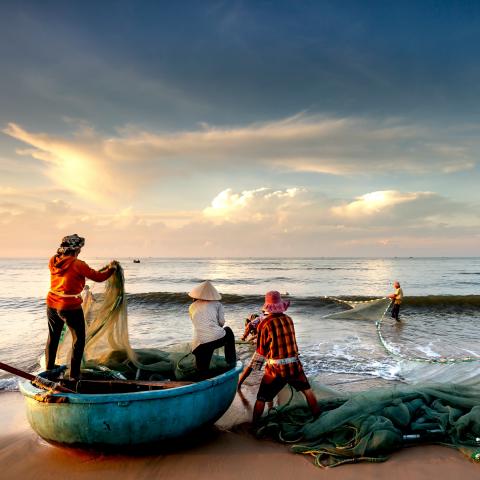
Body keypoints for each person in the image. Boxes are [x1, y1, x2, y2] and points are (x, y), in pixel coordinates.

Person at [238, 291, 320, 423]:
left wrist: (253, 369)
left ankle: (255, 427)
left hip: (275, 370)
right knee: (308, 391)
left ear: (267, 307)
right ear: (280, 305)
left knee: (261, 398)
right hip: (294, 366)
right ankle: (318, 419)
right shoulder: (289, 319)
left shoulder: (264, 324)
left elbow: (260, 352)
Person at [45, 234, 117, 380]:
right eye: (80, 249)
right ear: (76, 249)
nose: (80, 252)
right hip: (69, 307)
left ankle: (49, 370)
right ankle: (74, 375)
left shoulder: (53, 260)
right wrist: (111, 269)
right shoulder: (78, 264)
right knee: (79, 340)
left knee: (53, 337)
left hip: (52, 303)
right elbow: (99, 277)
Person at [188, 280, 236, 374]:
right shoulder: (218, 304)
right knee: (228, 331)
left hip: (197, 345)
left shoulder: (191, 306)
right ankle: (231, 361)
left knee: (202, 371)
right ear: (212, 295)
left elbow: (196, 323)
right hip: (214, 340)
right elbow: (221, 323)